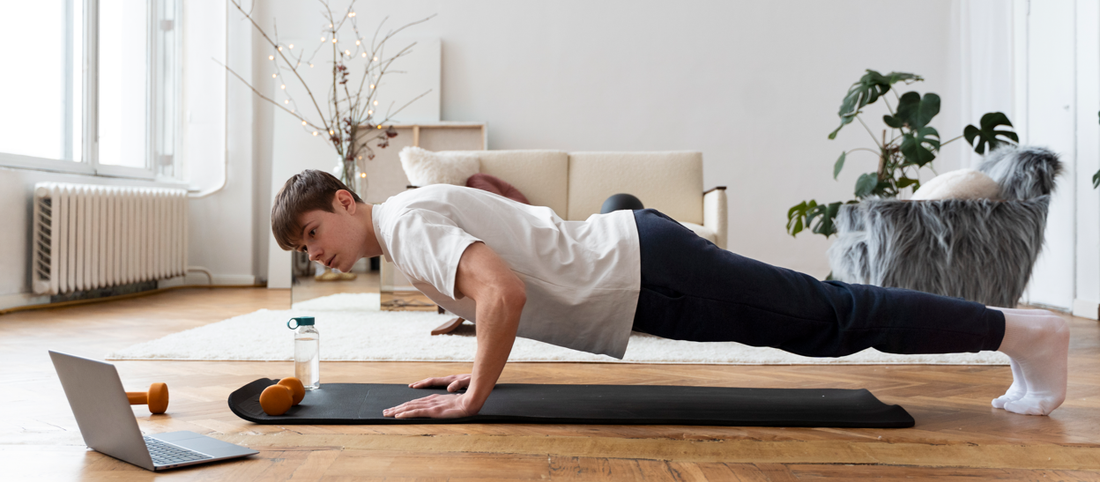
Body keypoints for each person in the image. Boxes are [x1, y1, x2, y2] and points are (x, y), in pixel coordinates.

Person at [271, 170, 1069, 419]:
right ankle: (1020, 333)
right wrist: (465, 325)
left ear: (344, 200)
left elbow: (505, 292)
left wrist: (474, 396)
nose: (316, 256)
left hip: (649, 273)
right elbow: (493, 276)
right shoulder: (409, 218)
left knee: (831, 319)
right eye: (302, 252)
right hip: (634, 252)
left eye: (311, 235)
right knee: (826, 314)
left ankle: (1022, 331)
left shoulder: (403, 224)